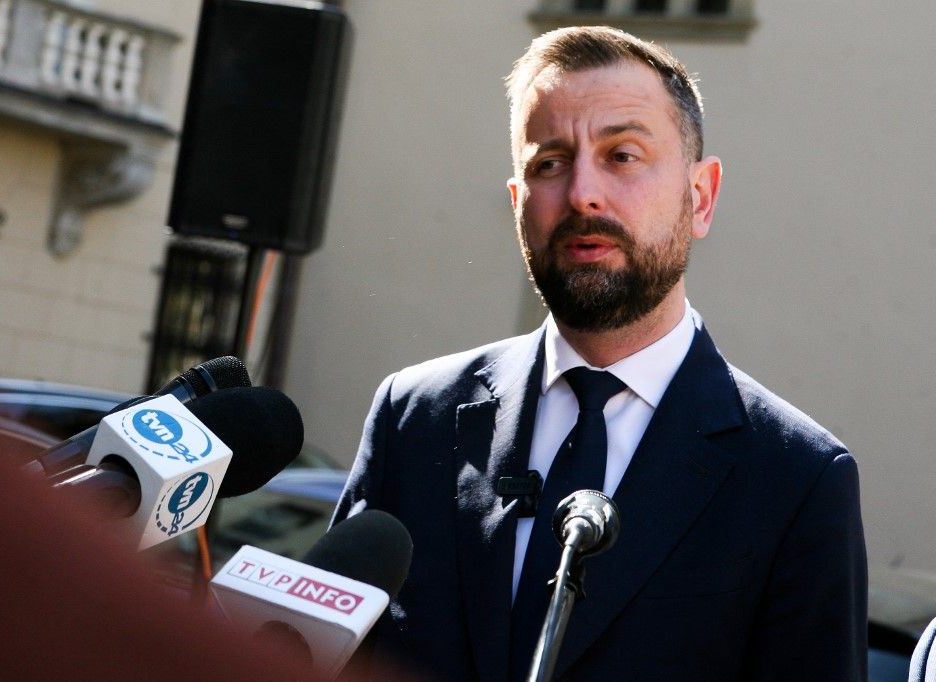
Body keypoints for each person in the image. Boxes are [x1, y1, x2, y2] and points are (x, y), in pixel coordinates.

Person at [333, 26, 867, 681]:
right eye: (549, 163)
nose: (583, 193)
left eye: (623, 155)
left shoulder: (797, 481)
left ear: (700, 198)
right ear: (517, 204)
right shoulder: (413, 419)